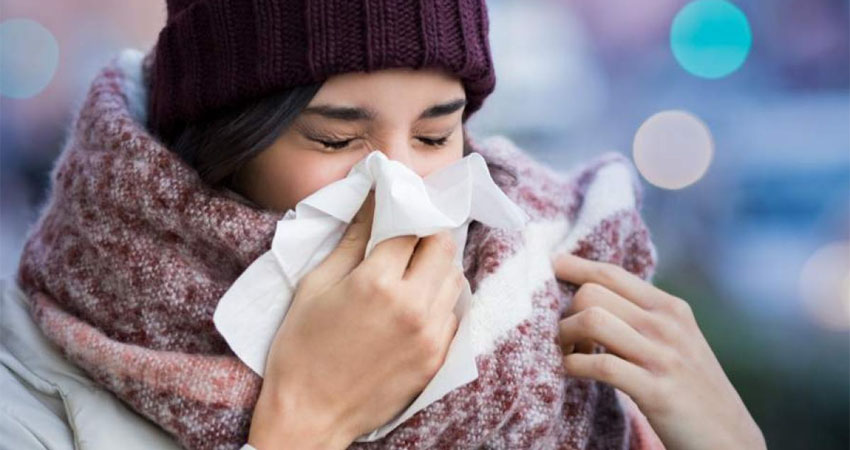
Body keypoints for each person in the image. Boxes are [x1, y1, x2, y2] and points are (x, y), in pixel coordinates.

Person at [0, 1, 766, 449]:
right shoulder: (33, 383)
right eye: (336, 139)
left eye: (436, 137)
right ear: (221, 141)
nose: (401, 186)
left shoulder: (564, 318)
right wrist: (307, 421)